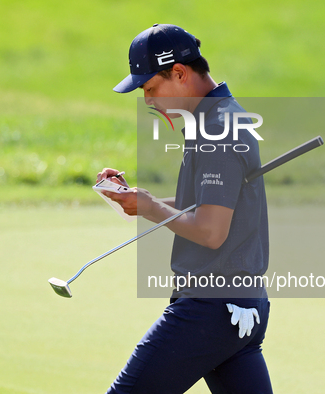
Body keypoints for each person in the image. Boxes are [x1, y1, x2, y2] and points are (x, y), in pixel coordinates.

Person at [98, 24, 273, 394]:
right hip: (243, 306)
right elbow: (209, 205)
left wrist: (150, 208)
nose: (147, 100)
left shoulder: (218, 129)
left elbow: (211, 231)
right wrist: (141, 201)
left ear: (178, 73)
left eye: (150, 88)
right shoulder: (217, 118)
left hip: (210, 310)